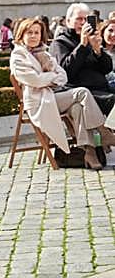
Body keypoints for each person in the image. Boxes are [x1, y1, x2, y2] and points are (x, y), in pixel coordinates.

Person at [11, 18, 114, 169]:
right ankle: (104, 133)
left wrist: (48, 78)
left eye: (36, 33)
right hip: (39, 101)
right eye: (29, 33)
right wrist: (51, 78)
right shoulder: (18, 56)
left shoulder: (43, 53)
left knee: (78, 107)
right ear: (21, 35)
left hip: (54, 96)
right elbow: (36, 80)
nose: (33, 36)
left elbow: (63, 76)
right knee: (82, 93)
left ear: (41, 35)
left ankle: (90, 152)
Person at [50, 2, 114, 114]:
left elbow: (107, 68)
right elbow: (66, 72)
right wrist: (82, 45)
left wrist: (97, 50)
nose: (83, 23)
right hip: (81, 91)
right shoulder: (60, 43)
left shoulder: (91, 39)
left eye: (86, 19)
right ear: (68, 21)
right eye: (79, 19)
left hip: (102, 87)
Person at [100, 19, 115, 92]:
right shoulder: (97, 50)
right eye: (110, 30)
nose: (113, 34)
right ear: (103, 32)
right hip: (103, 86)